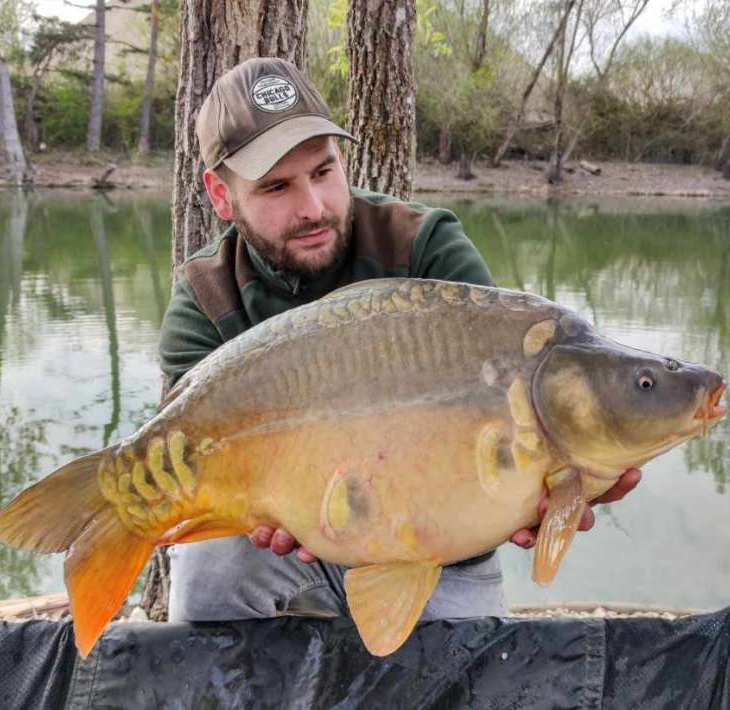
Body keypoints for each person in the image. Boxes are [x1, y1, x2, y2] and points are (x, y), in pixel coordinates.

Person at [157, 55, 642, 629]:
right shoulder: (205, 299)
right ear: (220, 194)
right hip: (281, 549)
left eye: (323, 170)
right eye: (276, 187)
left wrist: (552, 486)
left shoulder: (427, 247)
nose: (313, 206)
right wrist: (252, 510)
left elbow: (509, 427)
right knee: (209, 568)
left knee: (462, 669)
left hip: (442, 551)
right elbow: (191, 470)